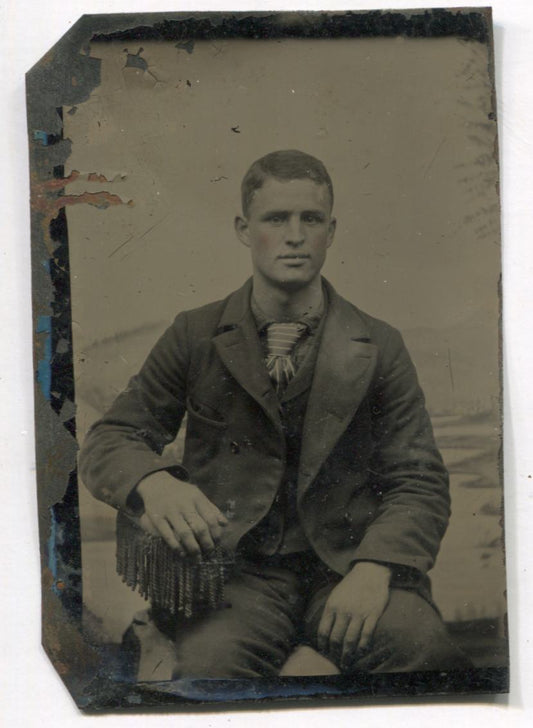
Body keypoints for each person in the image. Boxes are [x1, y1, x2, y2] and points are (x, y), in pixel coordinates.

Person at [79, 149, 471, 678]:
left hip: (348, 570)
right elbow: (113, 437)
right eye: (275, 219)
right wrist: (155, 483)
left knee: (427, 657)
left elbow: (419, 479)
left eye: (310, 219)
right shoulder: (195, 335)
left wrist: (375, 568)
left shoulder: (378, 345)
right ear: (244, 228)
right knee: (209, 677)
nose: (294, 235)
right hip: (235, 579)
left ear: (331, 231)